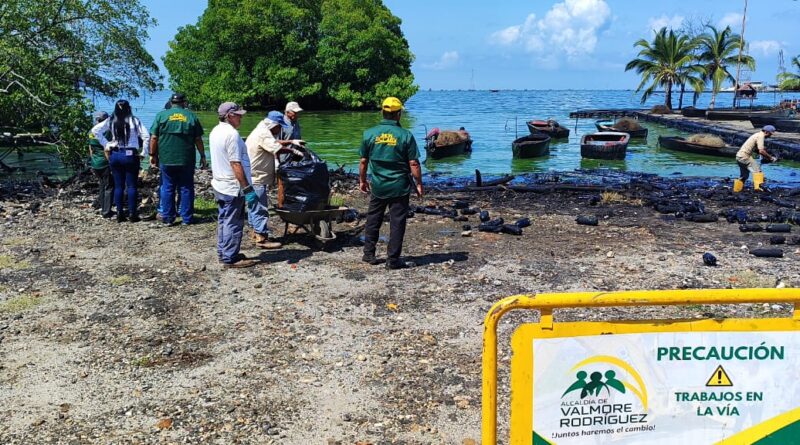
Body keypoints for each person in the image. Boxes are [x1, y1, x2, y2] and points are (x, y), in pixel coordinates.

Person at [359, 97, 423, 270]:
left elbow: (364, 161)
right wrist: (419, 184)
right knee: (397, 223)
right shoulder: (405, 135)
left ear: (382, 112)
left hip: (378, 185)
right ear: (399, 114)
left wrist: (362, 181)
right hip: (399, 186)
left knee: (373, 219)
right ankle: (392, 260)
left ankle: (368, 254)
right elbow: (414, 164)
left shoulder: (369, 134)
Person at [244, 110, 304, 249]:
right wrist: (293, 150)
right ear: (274, 124)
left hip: (252, 175)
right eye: (279, 126)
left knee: (254, 205)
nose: (280, 129)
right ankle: (262, 238)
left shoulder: (262, 128)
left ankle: (256, 232)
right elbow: (277, 148)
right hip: (257, 176)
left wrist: (290, 141)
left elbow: (274, 142)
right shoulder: (263, 133)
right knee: (260, 207)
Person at [209, 102, 259, 268]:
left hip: (220, 183)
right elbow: (235, 164)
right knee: (233, 221)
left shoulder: (215, 131)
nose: (241, 117)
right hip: (232, 186)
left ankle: (224, 252)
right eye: (238, 114)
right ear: (229, 115)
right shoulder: (232, 135)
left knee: (224, 219)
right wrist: (247, 188)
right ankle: (231, 258)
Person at [149, 93, 206, 225]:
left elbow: (153, 138)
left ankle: (168, 218)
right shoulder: (191, 116)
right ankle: (187, 218)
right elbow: (198, 139)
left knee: (167, 187)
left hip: (166, 158)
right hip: (186, 159)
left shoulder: (161, 116)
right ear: (184, 103)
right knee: (186, 187)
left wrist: (152, 155)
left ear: (171, 102)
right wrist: (203, 156)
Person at [92, 99, 149, 222]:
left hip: (116, 154)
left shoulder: (111, 120)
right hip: (130, 154)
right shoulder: (134, 120)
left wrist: (106, 144)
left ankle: (119, 212)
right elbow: (146, 136)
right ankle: (133, 213)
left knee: (118, 186)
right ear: (129, 108)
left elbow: (95, 130)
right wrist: (144, 152)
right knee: (132, 185)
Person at [734, 125, 777, 192]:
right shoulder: (761, 136)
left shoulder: (756, 135)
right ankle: (758, 189)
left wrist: (765, 156)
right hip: (745, 156)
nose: (770, 136)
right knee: (758, 172)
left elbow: (756, 150)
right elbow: (761, 151)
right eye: (770, 134)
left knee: (744, 176)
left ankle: (736, 190)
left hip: (739, 156)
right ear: (766, 132)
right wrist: (771, 158)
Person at [88, 111, 114, 218]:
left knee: (102, 185)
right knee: (109, 186)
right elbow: (106, 149)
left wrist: (92, 160)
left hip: (95, 163)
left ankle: (102, 207)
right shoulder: (106, 132)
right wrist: (111, 163)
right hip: (104, 162)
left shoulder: (91, 131)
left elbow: (91, 148)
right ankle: (106, 211)